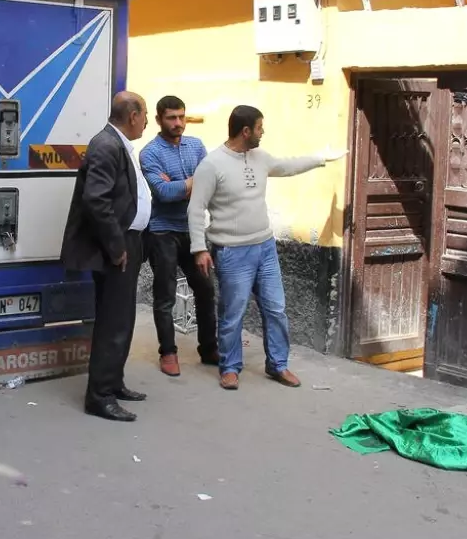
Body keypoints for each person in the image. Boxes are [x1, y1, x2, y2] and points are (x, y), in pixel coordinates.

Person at [188, 105, 347, 391]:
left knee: (276, 309)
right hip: (231, 252)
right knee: (232, 313)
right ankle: (230, 368)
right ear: (246, 131)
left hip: (265, 247)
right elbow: (196, 209)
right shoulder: (211, 165)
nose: (263, 133)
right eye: (260, 128)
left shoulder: (260, 157)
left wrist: (320, 157)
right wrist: (200, 248)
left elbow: (287, 165)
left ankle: (278, 365)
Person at [60, 91, 151, 422]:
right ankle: (99, 396)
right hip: (117, 247)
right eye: (145, 115)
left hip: (129, 242)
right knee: (113, 321)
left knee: (123, 319)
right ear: (132, 116)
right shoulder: (106, 145)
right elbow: (96, 201)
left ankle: (113, 382)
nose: (147, 121)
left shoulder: (119, 144)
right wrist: (116, 248)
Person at [138, 95, 218, 377]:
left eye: (182, 117)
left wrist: (182, 185)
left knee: (206, 289)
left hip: (193, 229)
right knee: (165, 295)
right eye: (172, 118)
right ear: (159, 120)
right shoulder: (149, 153)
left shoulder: (196, 146)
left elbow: (210, 186)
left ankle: (209, 349)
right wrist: (193, 183)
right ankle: (168, 352)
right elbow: (164, 193)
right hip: (162, 232)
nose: (178, 123)